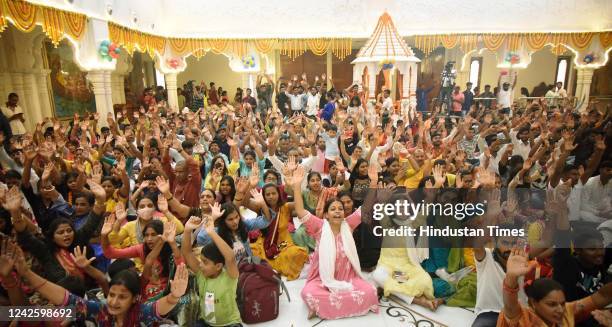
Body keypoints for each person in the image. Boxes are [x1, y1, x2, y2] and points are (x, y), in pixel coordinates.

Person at [3, 238, 188, 327]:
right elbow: (62, 297)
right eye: (113, 295)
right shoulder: (98, 310)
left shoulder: (142, 313)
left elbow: (162, 307)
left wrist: (175, 296)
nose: (113, 302)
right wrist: (25, 272)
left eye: (122, 297)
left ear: (134, 299)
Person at [289, 164, 379, 320]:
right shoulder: (319, 226)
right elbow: (300, 210)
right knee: (308, 292)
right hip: (322, 280)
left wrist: (373, 183)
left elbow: (366, 207)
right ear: (326, 214)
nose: (337, 211)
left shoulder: (348, 224)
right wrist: (297, 185)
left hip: (348, 278)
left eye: (340, 209)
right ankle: (322, 304)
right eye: (333, 209)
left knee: (371, 291)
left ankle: (321, 307)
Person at [498, 248, 612, 327]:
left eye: (562, 303)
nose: (560, 309)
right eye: (551, 304)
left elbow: (601, 296)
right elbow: (510, 305)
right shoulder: (523, 318)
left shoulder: (566, 312)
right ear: (533, 303)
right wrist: (511, 277)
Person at [182, 213, 242, 327]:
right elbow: (187, 253)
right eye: (201, 260)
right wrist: (187, 230)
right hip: (205, 323)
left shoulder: (230, 276)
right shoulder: (201, 274)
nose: (200, 265)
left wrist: (211, 232)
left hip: (230, 324)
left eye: (205, 262)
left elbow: (230, 257)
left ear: (218, 266)